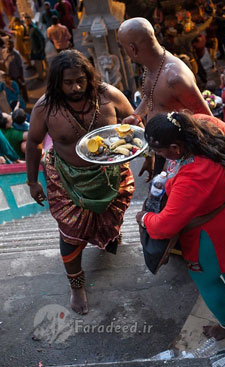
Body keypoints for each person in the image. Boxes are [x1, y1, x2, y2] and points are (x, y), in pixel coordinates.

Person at [25, 50, 137, 315]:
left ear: (89, 76)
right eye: (68, 82)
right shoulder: (45, 107)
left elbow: (132, 121)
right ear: (57, 82)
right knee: (71, 235)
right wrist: (32, 182)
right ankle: (76, 285)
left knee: (110, 218)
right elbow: (33, 143)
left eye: (80, 80)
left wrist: (147, 153)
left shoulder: (108, 95)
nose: (75, 87)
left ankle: (109, 234)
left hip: (110, 176)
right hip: (68, 183)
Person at [136, 112, 225, 340]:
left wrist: (144, 218)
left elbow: (164, 226)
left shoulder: (193, 176)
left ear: (175, 148)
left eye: (160, 152)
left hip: (214, 228)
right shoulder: (206, 123)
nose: (158, 156)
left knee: (206, 279)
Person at [118, 17, 212, 178]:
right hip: (162, 151)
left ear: (132, 48)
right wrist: (136, 115)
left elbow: (208, 120)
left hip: (179, 155)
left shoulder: (175, 77)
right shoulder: (150, 66)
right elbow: (150, 97)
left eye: (123, 47)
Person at [3, 39, 29, 103]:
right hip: (9, 75)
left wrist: (21, 76)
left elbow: (20, 66)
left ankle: (26, 99)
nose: (9, 46)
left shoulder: (16, 54)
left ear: (13, 45)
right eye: (8, 44)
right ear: (6, 45)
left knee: (22, 86)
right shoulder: (4, 52)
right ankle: (18, 100)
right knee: (14, 88)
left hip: (17, 74)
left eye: (11, 44)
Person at [25, 15, 47, 80]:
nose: (26, 22)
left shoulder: (34, 29)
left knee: (39, 64)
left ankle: (41, 76)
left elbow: (42, 38)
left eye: (27, 21)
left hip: (37, 50)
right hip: (34, 50)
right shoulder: (29, 29)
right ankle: (42, 75)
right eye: (25, 21)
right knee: (39, 64)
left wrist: (42, 49)